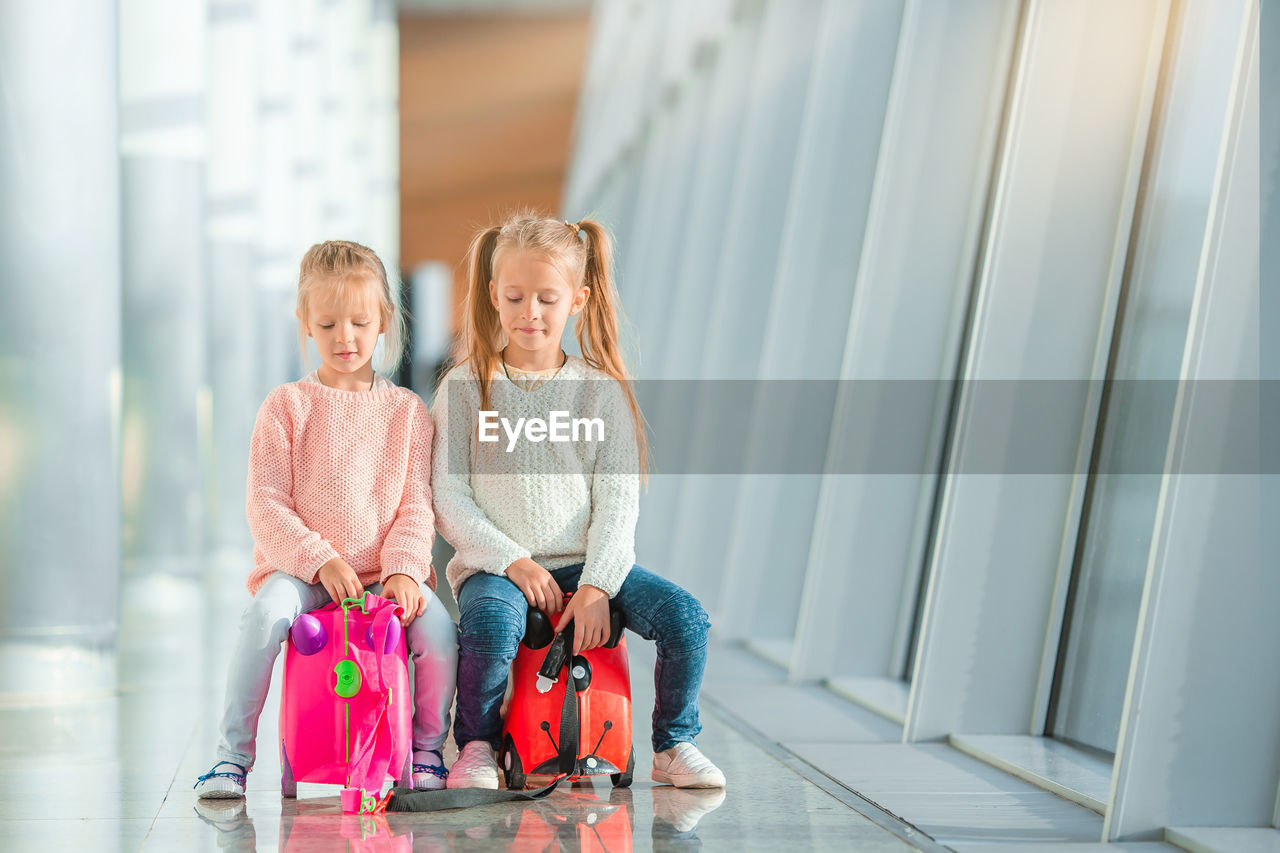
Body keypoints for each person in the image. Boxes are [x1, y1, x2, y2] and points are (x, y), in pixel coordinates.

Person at [432, 213, 725, 790]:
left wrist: (596, 585)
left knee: (686, 618)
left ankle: (674, 742)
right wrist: (513, 561)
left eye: (546, 298)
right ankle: (477, 747)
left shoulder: (598, 390)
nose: (529, 312)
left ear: (577, 300)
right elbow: (449, 495)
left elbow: (618, 500)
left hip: (587, 564)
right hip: (499, 567)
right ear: (493, 295)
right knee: (491, 623)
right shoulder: (464, 388)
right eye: (514, 297)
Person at [195, 240, 457, 798]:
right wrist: (321, 561)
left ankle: (427, 751)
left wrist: (406, 571)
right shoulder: (286, 406)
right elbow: (265, 503)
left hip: (382, 579)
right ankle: (232, 759)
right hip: (303, 575)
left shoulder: (408, 413)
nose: (345, 337)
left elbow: (416, 502)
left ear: (384, 319)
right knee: (264, 617)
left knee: (436, 631)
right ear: (305, 322)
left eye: (360, 322)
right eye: (329, 322)